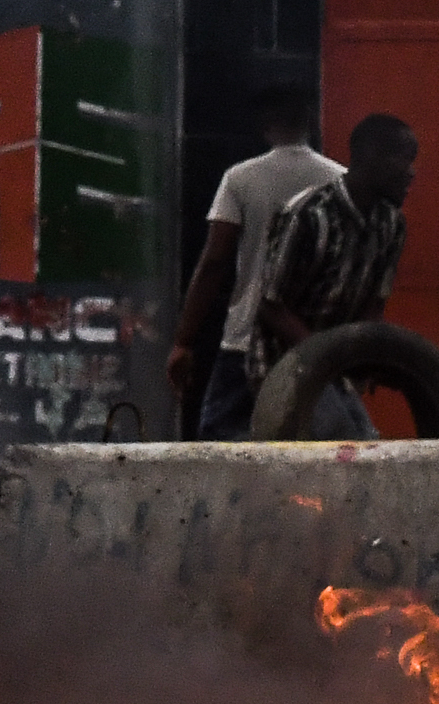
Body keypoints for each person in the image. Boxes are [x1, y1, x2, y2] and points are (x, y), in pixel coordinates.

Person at [165, 81, 338, 440]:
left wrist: (184, 341)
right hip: (312, 342)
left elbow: (214, 262)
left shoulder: (240, 178)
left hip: (245, 341)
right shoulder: (340, 180)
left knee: (221, 445)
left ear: (264, 123)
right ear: (310, 120)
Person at [247, 110, 422, 438]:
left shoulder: (391, 225)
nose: (411, 174)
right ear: (370, 158)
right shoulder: (308, 216)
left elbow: (374, 304)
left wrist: (367, 357)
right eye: (404, 160)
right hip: (284, 365)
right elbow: (270, 305)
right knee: (342, 445)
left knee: (368, 444)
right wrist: (326, 355)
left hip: (335, 369)